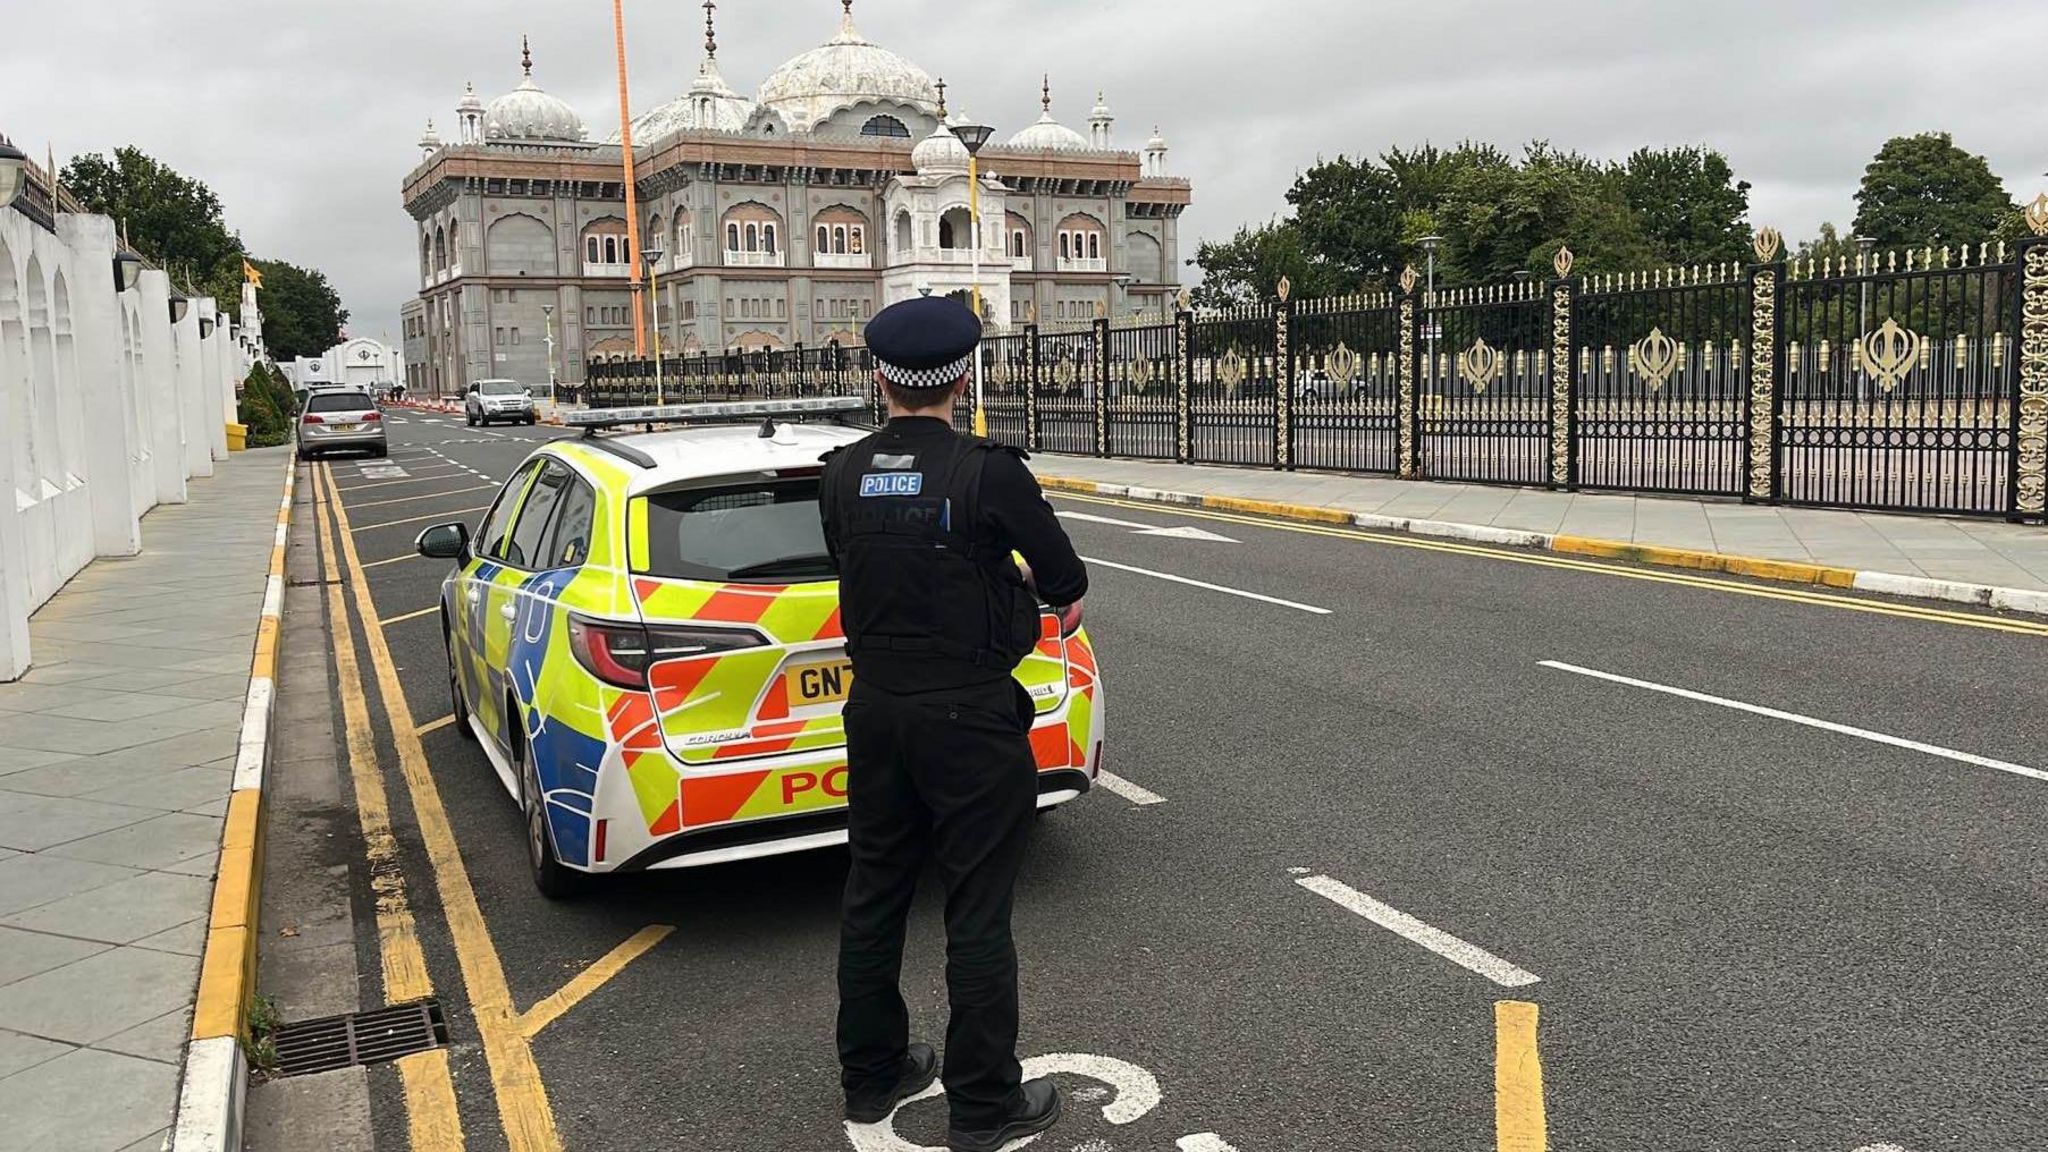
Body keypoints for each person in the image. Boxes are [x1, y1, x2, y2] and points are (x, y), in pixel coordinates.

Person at [820, 297, 1087, 1152]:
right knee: (975, 909)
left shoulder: (842, 470)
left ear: (880, 379)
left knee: (874, 893)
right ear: (964, 379)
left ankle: (871, 1077)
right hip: (968, 718)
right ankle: (983, 1105)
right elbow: (1064, 581)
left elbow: (851, 560)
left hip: (878, 711)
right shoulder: (988, 471)